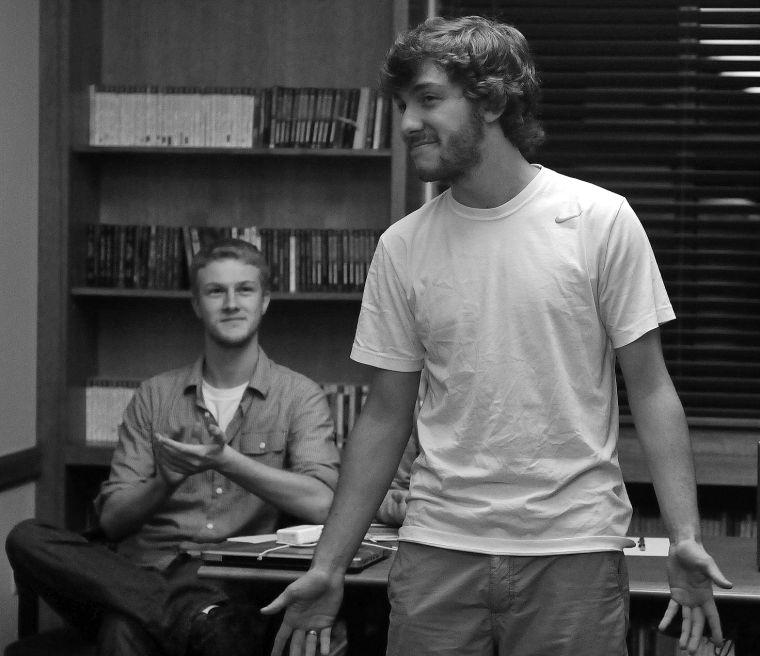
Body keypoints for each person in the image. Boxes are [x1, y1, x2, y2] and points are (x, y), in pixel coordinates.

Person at [261, 15, 732, 656]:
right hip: (436, 553)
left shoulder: (598, 220)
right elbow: (384, 417)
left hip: (572, 551)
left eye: (428, 99)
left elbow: (650, 391)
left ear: (490, 99)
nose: (406, 123)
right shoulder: (402, 247)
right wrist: (328, 564)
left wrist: (684, 537)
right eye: (401, 105)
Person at [6, 239, 343, 656]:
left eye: (245, 289)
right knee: (26, 537)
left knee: (122, 627)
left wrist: (229, 462)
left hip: (232, 584)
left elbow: (324, 504)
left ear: (265, 301)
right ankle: (188, 617)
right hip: (146, 571)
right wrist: (163, 482)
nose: (231, 303)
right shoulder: (154, 395)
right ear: (196, 305)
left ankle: (181, 614)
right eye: (216, 291)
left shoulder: (299, 395)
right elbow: (112, 523)